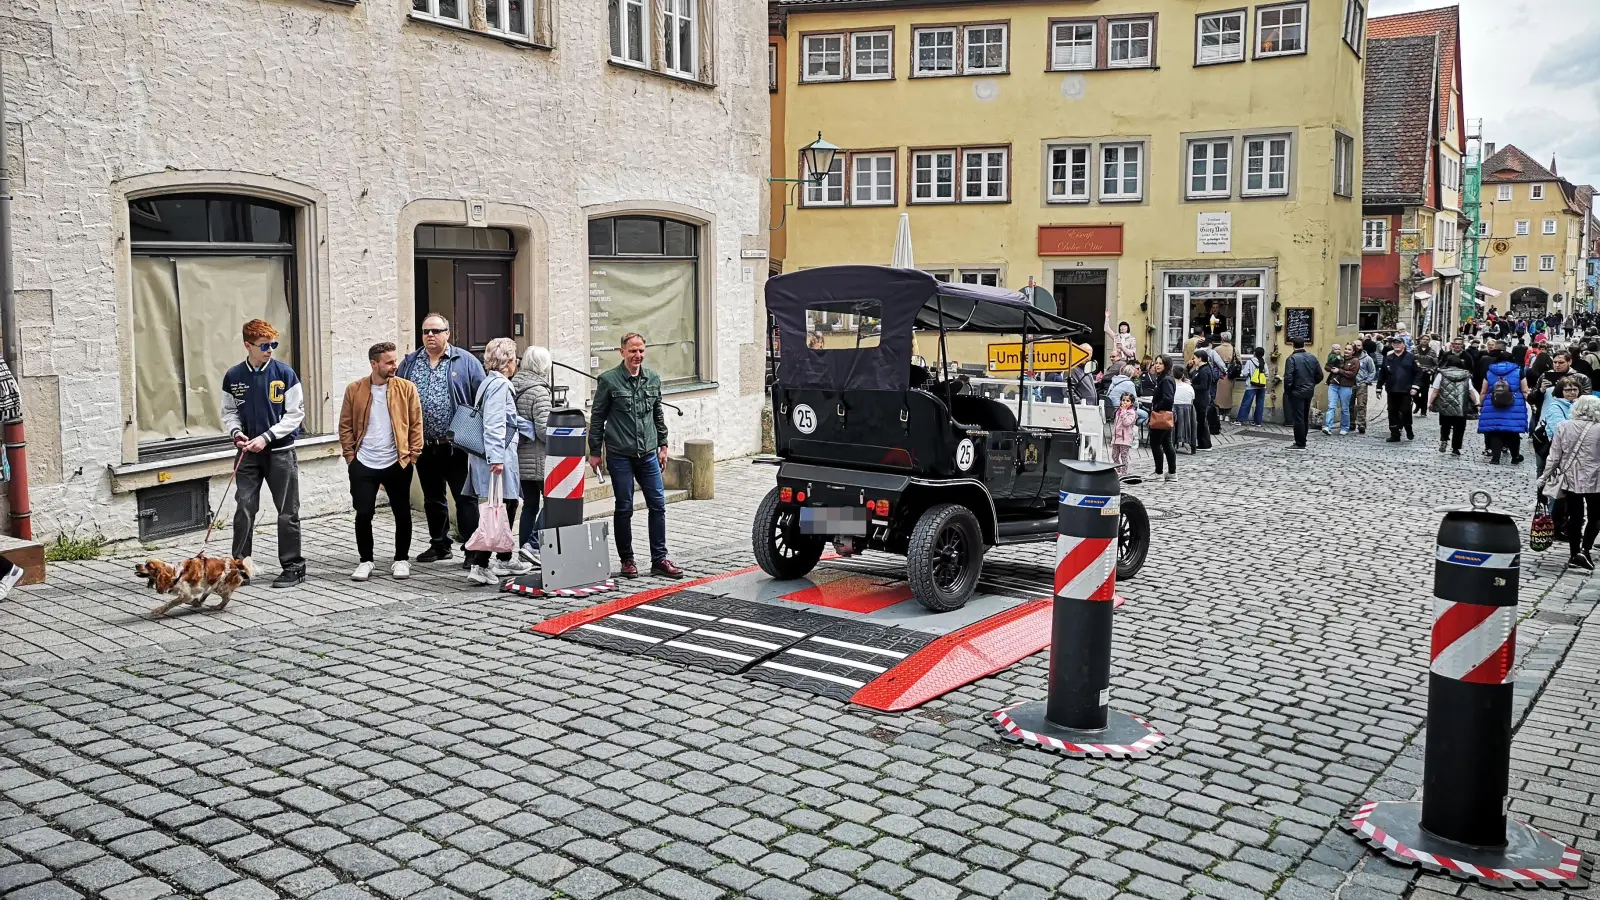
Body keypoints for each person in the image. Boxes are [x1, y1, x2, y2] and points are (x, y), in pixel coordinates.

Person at [589, 333, 684, 579]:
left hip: (648, 453)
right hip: (620, 454)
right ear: (622, 352)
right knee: (624, 507)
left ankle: (659, 559)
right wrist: (594, 452)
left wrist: (663, 444)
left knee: (658, 504)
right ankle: (627, 560)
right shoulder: (609, 380)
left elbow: (657, 413)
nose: (637, 355)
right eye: (632, 351)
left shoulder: (652, 378)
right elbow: (597, 418)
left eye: (641, 351)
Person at [221, 319, 306, 588]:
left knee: (287, 510)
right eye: (264, 345)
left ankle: (293, 566)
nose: (270, 350)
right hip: (248, 454)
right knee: (244, 507)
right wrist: (236, 432)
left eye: (273, 344)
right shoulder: (234, 376)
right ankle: (240, 567)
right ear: (248, 346)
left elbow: (295, 415)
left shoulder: (285, 374)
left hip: (281, 452)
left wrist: (266, 437)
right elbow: (229, 412)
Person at [400, 314, 487, 564]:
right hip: (424, 445)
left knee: (465, 498)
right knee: (433, 498)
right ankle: (440, 544)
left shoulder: (466, 361)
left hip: (456, 446)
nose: (430, 335)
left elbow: (482, 398)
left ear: (447, 334)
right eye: (426, 331)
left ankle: (473, 550)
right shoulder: (411, 362)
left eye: (436, 331)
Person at [337, 342, 423, 582]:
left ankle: (401, 559)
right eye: (389, 362)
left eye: (395, 360)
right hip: (363, 462)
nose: (395, 365)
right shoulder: (354, 389)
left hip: (397, 461)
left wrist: (413, 455)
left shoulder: (406, 388)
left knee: (402, 512)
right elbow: (345, 425)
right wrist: (351, 457)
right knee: (363, 512)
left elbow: (416, 423)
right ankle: (366, 560)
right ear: (374, 364)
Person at [463, 338, 534, 585]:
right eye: (515, 358)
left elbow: (506, 418)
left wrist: (531, 428)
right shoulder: (500, 385)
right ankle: (481, 564)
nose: (516, 363)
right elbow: (494, 422)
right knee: (500, 507)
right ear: (508, 361)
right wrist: (496, 459)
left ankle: (503, 557)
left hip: (495, 454)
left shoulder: (489, 382)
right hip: (497, 455)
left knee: (505, 503)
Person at [1538, 395, 1600, 570]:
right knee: (1595, 516)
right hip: (1596, 479)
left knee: (1575, 516)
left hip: (1570, 478)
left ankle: (1574, 554)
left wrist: (1544, 477)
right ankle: (1585, 550)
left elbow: (1554, 456)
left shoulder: (1563, 426)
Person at [512, 345, 554, 565]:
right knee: (553, 503)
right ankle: (532, 545)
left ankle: (524, 551)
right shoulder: (539, 391)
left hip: (519, 457)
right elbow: (544, 430)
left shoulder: (513, 384)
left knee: (529, 506)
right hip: (538, 459)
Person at [1478, 349, 1528, 464]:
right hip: (1514, 405)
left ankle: (1495, 458)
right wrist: (1530, 403)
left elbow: (1484, 391)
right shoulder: (1518, 371)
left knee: (1496, 431)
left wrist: (1481, 404)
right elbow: (1525, 390)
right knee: (1513, 432)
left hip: (1492, 404)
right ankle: (1515, 457)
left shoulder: (1489, 372)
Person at [1428, 352, 1478, 457]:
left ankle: (1444, 439)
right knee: (1459, 428)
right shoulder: (1466, 375)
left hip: (1445, 404)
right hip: (1461, 405)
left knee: (1445, 424)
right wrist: (1476, 402)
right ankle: (1456, 448)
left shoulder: (1441, 374)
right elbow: (1470, 391)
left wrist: (1431, 402)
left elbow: (1435, 390)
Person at [1282, 341, 1322, 450]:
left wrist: (1288, 391)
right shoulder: (1312, 357)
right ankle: (1303, 439)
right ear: (1303, 345)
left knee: (1298, 417)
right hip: (1308, 391)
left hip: (1296, 391)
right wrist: (1311, 384)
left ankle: (1300, 442)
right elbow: (1320, 375)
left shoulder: (1291, 359)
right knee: (1304, 416)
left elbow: (1288, 377)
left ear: (1293, 346)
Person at [1378, 337, 1417, 442]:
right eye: (1394, 343)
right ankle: (1395, 434)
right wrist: (1378, 387)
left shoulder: (1411, 357)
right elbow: (1382, 374)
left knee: (1405, 411)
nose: (1396, 345)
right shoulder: (1388, 357)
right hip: (1392, 390)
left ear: (1403, 344)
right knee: (1392, 412)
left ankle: (1408, 427)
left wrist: (1415, 387)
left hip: (1406, 390)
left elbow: (1418, 373)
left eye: (1399, 343)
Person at [1148, 356, 1177, 481]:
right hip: (1165, 414)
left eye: (1161, 363)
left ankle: (1159, 472)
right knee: (1166, 443)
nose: (1157, 365)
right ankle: (1171, 472)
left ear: (1166, 365)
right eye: (1156, 363)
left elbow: (1168, 399)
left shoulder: (1166, 380)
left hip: (1161, 415)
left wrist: (1156, 407)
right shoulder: (1164, 378)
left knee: (1156, 443)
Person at [1323, 348, 1356, 436]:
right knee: (1331, 406)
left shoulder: (1355, 361)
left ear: (1353, 351)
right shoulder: (1338, 357)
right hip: (1334, 384)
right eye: (1346, 349)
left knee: (1345, 408)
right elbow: (1327, 366)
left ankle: (1345, 427)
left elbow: (1352, 374)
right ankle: (1327, 426)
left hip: (1345, 386)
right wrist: (1331, 369)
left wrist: (1339, 371)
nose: (1346, 351)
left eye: (1349, 349)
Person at [1188, 351, 1214, 451]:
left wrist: (1191, 385)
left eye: (1194, 358)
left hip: (1202, 399)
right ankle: (1202, 443)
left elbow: (1204, 386)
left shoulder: (1204, 370)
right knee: (1200, 421)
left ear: (1200, 358)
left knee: (1202, 421)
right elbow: (1192, 375)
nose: (1193, 360)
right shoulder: (1202, 369)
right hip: (1200, 398)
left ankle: (1205, 444)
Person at [1236, 347, 1267, 426]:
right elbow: (1267, 374)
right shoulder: (1264, 363)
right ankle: (1258, 422)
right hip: (1262, 386)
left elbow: (1245, 373)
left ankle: (1240, 420)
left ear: (1254, 353)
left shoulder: (1250, 362)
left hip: (1251, 385)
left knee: (1246, 403)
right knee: (1260, 404)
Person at [1352, 340, 1377, 434]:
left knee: (1361, 404)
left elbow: (1372, 371)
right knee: (1349, 405)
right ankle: (1351, 423)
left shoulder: (1367, 359)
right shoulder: (1349, 357)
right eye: (1355, 345)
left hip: (1362, 383)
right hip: (1350, 384)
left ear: (1362, 346)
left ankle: (1361, 424)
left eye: (1359, 345)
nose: (1357, 347)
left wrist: (1367, 381)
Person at [1172, 364, 1197, 454]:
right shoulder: (1189, 387)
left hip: (1174, 412)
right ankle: (1192, 446)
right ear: (1183, 375)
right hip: (1188, 414)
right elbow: (1192, 400)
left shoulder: (1171, 387)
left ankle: (1172, 442)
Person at [1111, 393, 1137, 475]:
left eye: (1127, 401)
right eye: (1123, 400)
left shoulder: (1131, 413)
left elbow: (1126, 423)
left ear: (1131, 403)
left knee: (1124, 456)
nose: (1125, 402)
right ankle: (1117, 470)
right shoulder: (1118, 411)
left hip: (1125, 438)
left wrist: (1124, 412)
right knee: (1114, 456)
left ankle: (1124, 472)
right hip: (1116, 437)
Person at [1412, 341, 1438, 418]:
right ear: (1420, 340)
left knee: (1424, 393)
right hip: (1416, 374)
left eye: (1427, 339)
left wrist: (1431, 371)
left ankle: (1423, 410)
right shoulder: (1414, 350)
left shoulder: (1432, 351)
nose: (1425, 340)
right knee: (1414, 392)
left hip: (1426, 374)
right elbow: (1410, 360)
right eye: (1423, 339)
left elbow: (1436, 364)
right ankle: (1418, 404)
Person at [1215, 332, 1236, 421]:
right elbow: (1239, 361)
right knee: (1229, 395)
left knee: (1219, 394)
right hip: (1230, 374)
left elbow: (1212, 360)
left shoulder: (1217, 349)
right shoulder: (1234, 349)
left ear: (1222, 339)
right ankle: (1227, 414)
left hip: (1220, 374)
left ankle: (1220, 413)